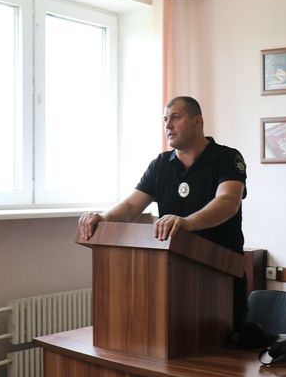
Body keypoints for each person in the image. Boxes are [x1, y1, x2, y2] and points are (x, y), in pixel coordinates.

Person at [78, 96, 248, 324]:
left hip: (221, 273)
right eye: (165, 119)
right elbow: (130, 207)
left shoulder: (227, 157)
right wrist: (103, 218)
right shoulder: (160, 164)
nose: (168, 125)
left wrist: (187, 222)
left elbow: (228, 201)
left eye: (175, 117)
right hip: (174, 275)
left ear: (197, 121)